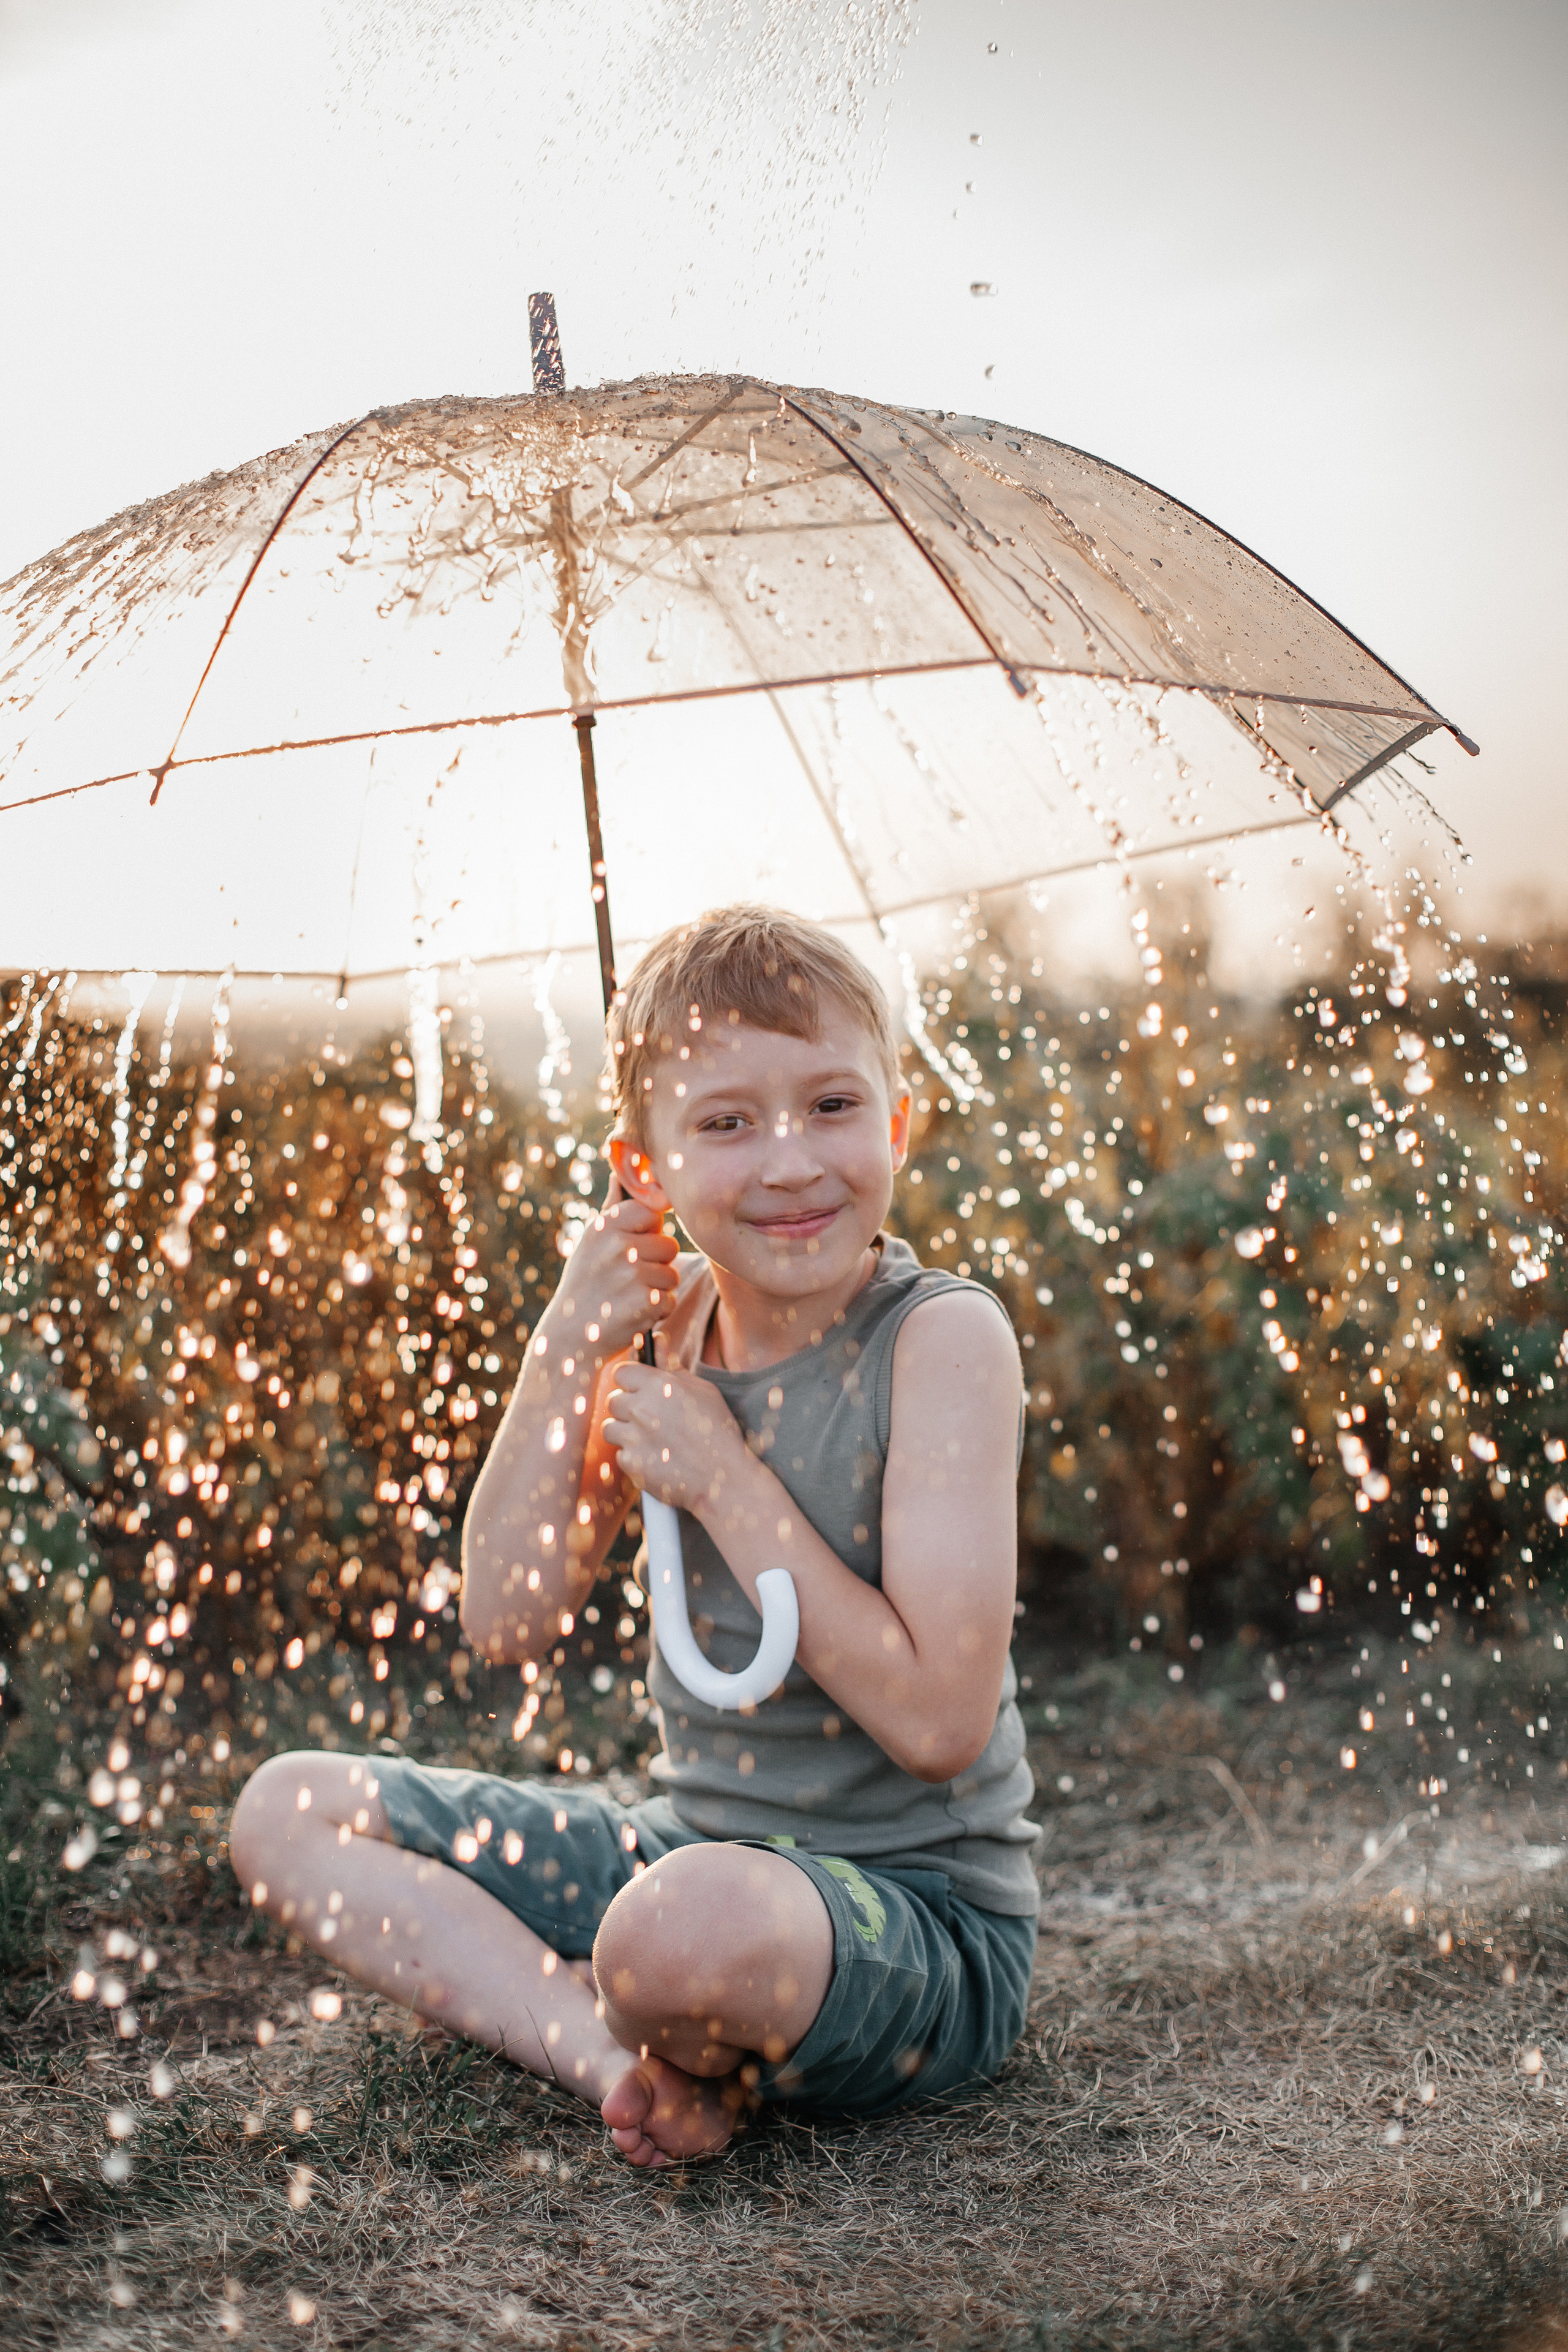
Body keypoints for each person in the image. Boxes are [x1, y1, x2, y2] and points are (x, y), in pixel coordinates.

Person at [230, 905, 1039, 2167]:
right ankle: (617, 2062)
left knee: (674, 1933)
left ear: (896, 1122)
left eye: (830, 1105)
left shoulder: (938, 1342)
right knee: (286, 1812)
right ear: (643, 1170)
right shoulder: (657, 1342)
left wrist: (725, 1479)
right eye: (724, 1123)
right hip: (682, 1853)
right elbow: (506, 1616)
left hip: (914, 1924)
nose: (787, 1162)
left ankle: (661, 2000)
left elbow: (940, 1721)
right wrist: (566, 1344)